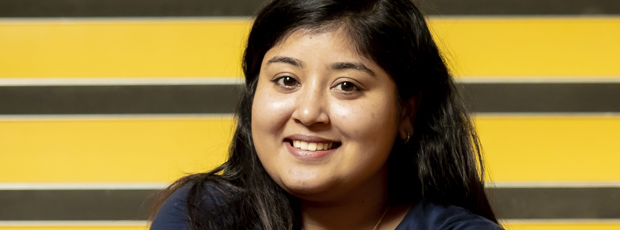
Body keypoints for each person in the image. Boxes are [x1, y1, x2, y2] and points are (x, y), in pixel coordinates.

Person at [150, 0, 500, 229]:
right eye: (286, 80)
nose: (308, 112)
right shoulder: (201, 215)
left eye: (347, 86)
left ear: (406, 111)